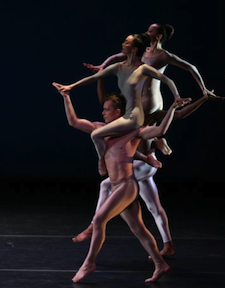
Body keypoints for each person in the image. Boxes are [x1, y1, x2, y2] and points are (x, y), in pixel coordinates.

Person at [72, 80, 223, 257]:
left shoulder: (153, 115)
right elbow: (104, 101)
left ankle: (93, 226)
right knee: (154, 207)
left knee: (106, 185)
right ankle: (168, 245)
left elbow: (179, 115)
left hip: (144, 164)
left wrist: (202, 99)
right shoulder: (126, 117)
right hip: (139, 163)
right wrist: (100, 77)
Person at [58, 86, 191, 283]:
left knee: (100, 219)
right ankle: (160, 263)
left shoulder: (133, 132)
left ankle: (89, 263)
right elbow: (74, 121)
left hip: (127, 186)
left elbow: (160, 130)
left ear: (118, 112)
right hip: (116, 186)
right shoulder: (100, 130)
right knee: (138, 228)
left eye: (107, 109)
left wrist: (172, 108)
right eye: (103, 109)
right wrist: (66, 97)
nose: (103, 113)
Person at [53, 32, 185, 176]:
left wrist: (176, 96)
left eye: (127, 42)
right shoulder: (118, 67)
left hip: (134, 117)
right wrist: (71, 87)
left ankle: (102, 160)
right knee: (115, 140)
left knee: (96, 135)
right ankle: (153, 146)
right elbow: (94, 77)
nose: (123, 44)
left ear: (134, 49)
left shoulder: (142, 69)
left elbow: (167, 80)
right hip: (126, 115)